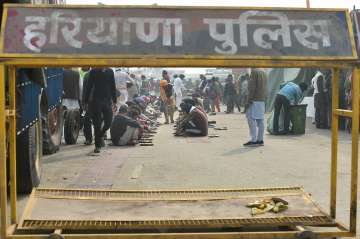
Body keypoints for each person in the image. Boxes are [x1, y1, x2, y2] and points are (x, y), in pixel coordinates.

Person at [84, 68, 117, 153]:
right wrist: (86, 101)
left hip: (107, 100)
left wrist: (115, 101)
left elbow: (113, 86)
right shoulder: (94, 71)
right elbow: (89, 86)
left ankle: (100, 135)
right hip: (96, 100)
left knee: (109, 122)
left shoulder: (110, 71)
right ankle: (97, 146)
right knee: (97, 123)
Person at [244, 69, 267, 147]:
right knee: (260, 120)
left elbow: (252, 88)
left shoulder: (254, 72)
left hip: (254, 100)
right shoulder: (264, 72)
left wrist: (248, 100)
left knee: (251, 119)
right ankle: (260, 140)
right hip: (262, 99)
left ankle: (253, 140)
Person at [81, 67, 93, 145]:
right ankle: (89, 138)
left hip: (92, 101)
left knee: (87, 120)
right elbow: (84, 89)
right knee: (87, 120)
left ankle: (89, 138)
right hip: (91, 101)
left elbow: (84, 90)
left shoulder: (87, 75)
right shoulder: (87, 75)